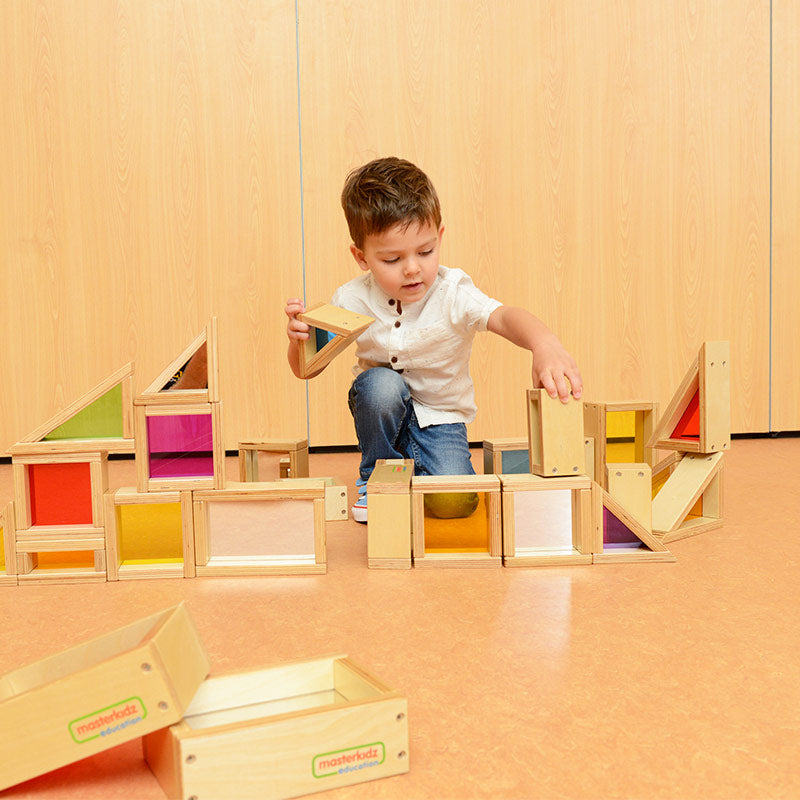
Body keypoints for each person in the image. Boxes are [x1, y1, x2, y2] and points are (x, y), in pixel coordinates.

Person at [286, 157, 582, 522]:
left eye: (425, 252)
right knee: (379, 385)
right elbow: (306, 370)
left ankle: (417, 473)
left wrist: (545, 344)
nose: (412, 268)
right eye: (392, 258)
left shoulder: (453, 292)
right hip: (384, 412)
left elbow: (504, 316)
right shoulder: (350, 299)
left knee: (455, 504)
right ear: (361, 257)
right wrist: (298, 342)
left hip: (441, 418)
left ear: (439, 237)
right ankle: (376, 478)